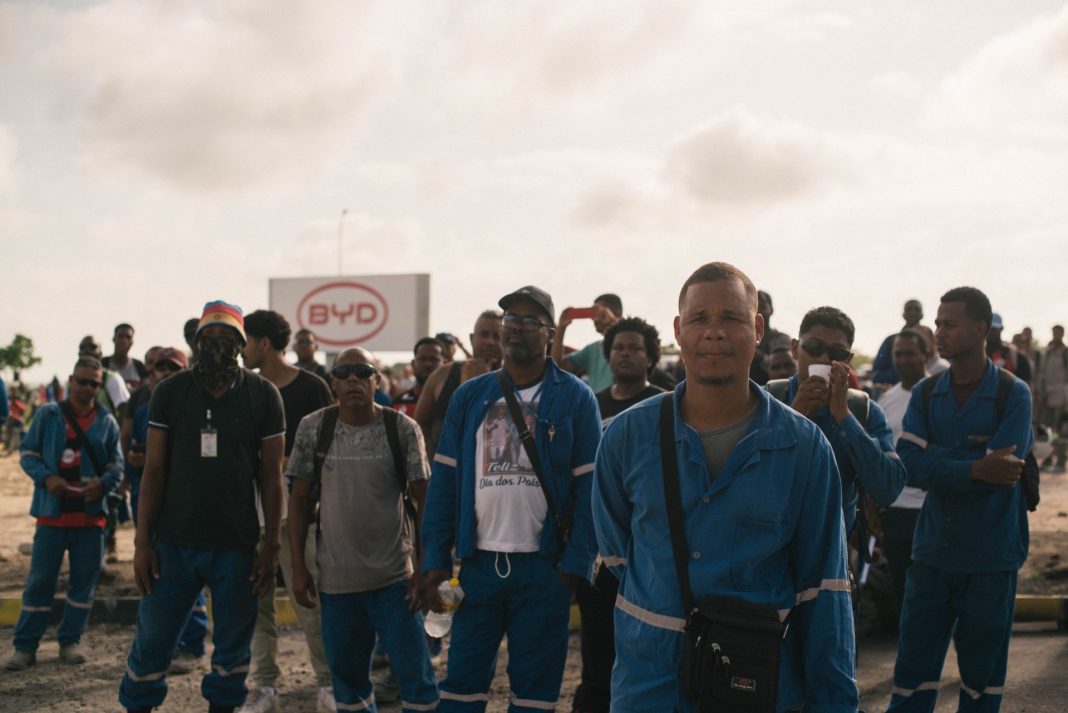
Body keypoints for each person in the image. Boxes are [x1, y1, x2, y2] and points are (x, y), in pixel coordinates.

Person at [593, 262, 858, 712]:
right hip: (650, 685)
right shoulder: (625, 437)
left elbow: (823, 588)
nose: (714, 333)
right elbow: (619, 554)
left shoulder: (804, 448)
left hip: (753, 684)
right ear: (679, 330)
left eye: (731, 318)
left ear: (757, 329)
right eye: (700, 319)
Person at [422, 285, 601, 712]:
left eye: (530, 322)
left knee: (535, 692)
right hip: (478, 566)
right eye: (511, 321)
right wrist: (435, 560)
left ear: (550, 334)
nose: (517, 328)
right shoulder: (470, 396)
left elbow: (589, 489)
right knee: (462, 684)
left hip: (544, 569)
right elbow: (445, 482)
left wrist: (573, 567)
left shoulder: (575, 397)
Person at [119, 300, 286, 713]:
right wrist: (143, 542)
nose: (217, 345)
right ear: (194, 342)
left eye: (227, 338)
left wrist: (272, 545)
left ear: (241, 344)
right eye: (207, 338)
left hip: (237, 546)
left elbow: (271, 476)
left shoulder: (264, 395)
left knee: (231, 655)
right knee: (152, 644)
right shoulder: (171, 392)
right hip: (173, 544)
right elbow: (153, 471)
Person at [889, 286, 1032, 713]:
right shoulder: (927, 394)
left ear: (981, 329)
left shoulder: (1014, 394)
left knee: (981, 687)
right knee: (911, 680)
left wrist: (942, 462)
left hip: (991, 558)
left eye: (949, 324)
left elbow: (1003, 473)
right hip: (933, 555)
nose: (939, 332)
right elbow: (908, 466)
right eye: (938, 323)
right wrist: (973, 467)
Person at [288, 347, 439, 713]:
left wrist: (424, 568)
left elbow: (425, 502)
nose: (353, 379)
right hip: (336, 585)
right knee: (350, 687)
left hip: (395, 583)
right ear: (333, 384)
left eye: (362, 371)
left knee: (416, 681)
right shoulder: (314, 428)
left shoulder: (401, 428)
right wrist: (298, 566)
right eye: (345, 373)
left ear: (377, 380)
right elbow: (298, 500)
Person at [238, 309, 335, 713]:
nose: (239, 350)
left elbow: (334, 449)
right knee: (253, 606)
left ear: (263, 342)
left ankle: (330, 684)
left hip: (300, 517)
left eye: (245, 340)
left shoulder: (312, 388)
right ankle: (263, 686)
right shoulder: (241, 390)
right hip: (248, 517)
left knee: (309, 602)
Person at [5, 356, 123, 671]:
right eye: (82, 381)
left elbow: (117, 464)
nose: (87, 388)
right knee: (40, 582)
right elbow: (27, 453)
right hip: (51, 517)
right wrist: (47, 478)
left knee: (83, 584)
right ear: (70, 380)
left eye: (93, 384)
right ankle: (25, 647)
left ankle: (70, 641)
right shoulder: (48, 415)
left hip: (90, 519)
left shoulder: (106, 422)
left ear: (99, 387)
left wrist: (103, 484)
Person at [573, 317, 663, 713]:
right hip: (598, 552)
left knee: (650, 650)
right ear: (608, 355)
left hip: (651, 551)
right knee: (596, 653)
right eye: (619, 348)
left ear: (651, 358)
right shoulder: (591, 404)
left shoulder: (668, 404)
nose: (625, 354)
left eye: (635, 348)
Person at [773, 306, 906, 537]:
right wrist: (795, 417)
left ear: (849, 360)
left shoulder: (863, 410)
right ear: (795, 349)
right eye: (814, 348)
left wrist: (844, 417)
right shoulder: (768, 400)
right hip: (771, 552)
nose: (824, 360)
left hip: (833, 554)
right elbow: (744, 481)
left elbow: (889, 489)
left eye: (837, 354)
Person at [876, 330, 930, 622]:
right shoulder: (886, 401)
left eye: (910, 353)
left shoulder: (940, 392)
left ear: (925, 354)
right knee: (902, 582)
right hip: (896, 510)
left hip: (931, 508)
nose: (904, 360)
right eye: (898, 354)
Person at [414, 310, 503, 458]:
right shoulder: (442, 375)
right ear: (472, 338)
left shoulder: (517, 380)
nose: (490, 342)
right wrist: (429, 462)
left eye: (497, 336)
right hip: (448, 472)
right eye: (484, 335)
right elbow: (420, 423)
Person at [551, 293, 623, 393]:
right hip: (598, 407)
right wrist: (561, 329)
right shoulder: (593, 349)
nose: (594, 318)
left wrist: (613, 322)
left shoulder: (633, 344)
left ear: (617, 312)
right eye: (592, 312)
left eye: (598, 312)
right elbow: (557, 368)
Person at [871, 300, 942, 390]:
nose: (912, 313)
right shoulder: (890, 341)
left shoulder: (929, 336)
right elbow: (875, 375)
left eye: (917, 310)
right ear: (903, 314)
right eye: (898, 354)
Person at [1036, 325, 1067, 472]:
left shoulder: (1065, 353)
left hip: (1062, 398)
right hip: (1047, 397)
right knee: (1048, 431)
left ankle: (1061, 460)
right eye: (1054, 332)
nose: (1056, 335)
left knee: (1060, 431)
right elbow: (1042, 375)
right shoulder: (1047, 354)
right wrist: (1041, 394)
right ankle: (1048, 459)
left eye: (1058, 333)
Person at [79, 335, 131, 420]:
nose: (87, 350)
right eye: (82, 347)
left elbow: (125, 412)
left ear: (101, 354)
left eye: (93, 347)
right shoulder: (71, 383)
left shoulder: (112, 379)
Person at [392, 337, 445, 418]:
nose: (428, 364)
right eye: (422, 359)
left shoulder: (455, 401)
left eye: (434, 359)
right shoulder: (398, 404)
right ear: (413, 364)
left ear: (445, 364)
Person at [749, 289, 792, 385]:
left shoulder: (782, 339)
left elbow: (787, 367)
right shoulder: (744, 339)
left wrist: (761, 357)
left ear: (771, 310)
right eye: (756, 307)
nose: (759, 311)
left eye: (763, 307)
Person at [986, 313, 1032, 383]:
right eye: (988, 328)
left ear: (1001, 329)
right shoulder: (977, 356)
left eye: (994, 329)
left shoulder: (1016, 357)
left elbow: (1025, 385)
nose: (990, 332)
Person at [103, 323, 149, 390]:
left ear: (132, 342)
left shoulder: (139, 367)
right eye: (120, 336)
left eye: (128, 337)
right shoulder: (103, 364)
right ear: (114, 339)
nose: (124, 340)